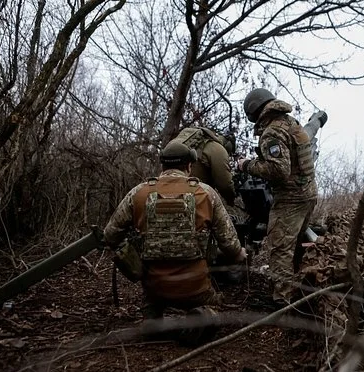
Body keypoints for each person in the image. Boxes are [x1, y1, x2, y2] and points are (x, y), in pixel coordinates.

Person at [104, 141, 247, 319]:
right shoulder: (206, 193)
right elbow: (230, 244)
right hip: (196, 288)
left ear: (162, 165)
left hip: (154, 287)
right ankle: (203, 313)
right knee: (214, 304)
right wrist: (240, 254)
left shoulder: (138, 193)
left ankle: (153, 315)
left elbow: (110, 235)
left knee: (151, 299)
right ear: (189, 166)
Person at [238, 88, 327, 305]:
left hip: (290, 199)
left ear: (254, 112)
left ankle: (282, 301)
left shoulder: (272, 132)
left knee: (279, 249)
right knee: (294, 244)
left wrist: (246, 164)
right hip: (307, 194)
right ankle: (299, 289)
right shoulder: (290, 123)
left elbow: (279, 170)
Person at [168, 127, 237, 206]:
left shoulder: (200, 143)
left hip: (167, 189)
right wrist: (231, 199)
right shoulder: (218, 149)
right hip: (194, 196)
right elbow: (224, 184)